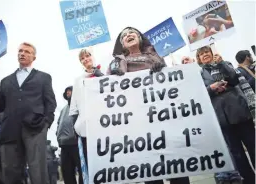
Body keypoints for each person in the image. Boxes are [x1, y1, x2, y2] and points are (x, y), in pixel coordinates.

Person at [108, 27, 190, 184]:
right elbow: (108, 91)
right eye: (124, 35)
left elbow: (171, 84)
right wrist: (115, 78)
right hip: (139, 123)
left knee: (177, 165)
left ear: (140, 38)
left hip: (163, 117)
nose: (129, 35)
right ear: (122, 45)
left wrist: (163, 69)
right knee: (151, 170)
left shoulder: (155, 56)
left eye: (132, 33)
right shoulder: (115, 64)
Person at [0, 42, 57, 184]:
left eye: (27, 52)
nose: (22, 53)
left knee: (38, 171)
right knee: (10, 171)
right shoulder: (5, 81)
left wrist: (46, 123)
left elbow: (50, 103)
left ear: (34, 57)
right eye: (20, 51)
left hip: (35, 128)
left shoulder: (44, 77)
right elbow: (0, 106)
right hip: (10, 130)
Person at [196, 45, 255, 184]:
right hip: (221, 119)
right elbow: (200, 94)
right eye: (201, 54)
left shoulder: (225, 64)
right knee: (237, 154)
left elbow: (234, 80)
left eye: (207, 52)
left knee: (253, 146)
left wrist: (222, 63)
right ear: (198, 59)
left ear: (212, 53)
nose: (204, 55)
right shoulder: (198, 75)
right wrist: (212, 88)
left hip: (239, 112)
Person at [69, 48, 104, 166]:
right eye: (82, 58)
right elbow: (74, 105)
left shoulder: (104, 72)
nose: (85, 60)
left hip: (105, 123)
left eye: (87, 56)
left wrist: (102, 77)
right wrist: (75, 126)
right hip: (87, 126)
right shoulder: (78, 80)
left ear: (93, 56)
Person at [57, 86, 83, 184]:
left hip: (77, 143)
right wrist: (58, 136)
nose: (68, 93)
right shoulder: (64, 109)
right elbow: (59, 123)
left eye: (70, 91)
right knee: (67, 172)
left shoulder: (80, 106)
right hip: (64, 145)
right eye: (67, 92)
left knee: (82, 170)